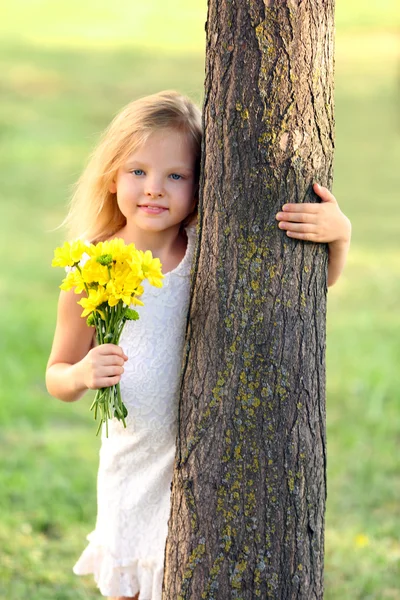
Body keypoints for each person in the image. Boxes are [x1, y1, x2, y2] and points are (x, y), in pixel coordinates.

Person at [46, 90, 351, 600]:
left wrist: (338, 237)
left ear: (202, 184)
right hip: (132, 466)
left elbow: (306, 293)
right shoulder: (92, 265)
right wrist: (81, 374)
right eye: (137, 171)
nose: (154, 189)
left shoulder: (209, 253)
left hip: (202, 468)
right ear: (112, 177)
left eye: (176, 176)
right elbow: (57, 373)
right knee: (133, 587)